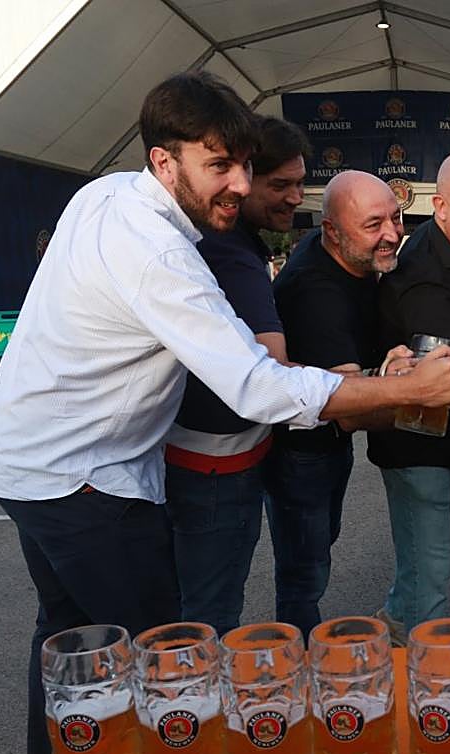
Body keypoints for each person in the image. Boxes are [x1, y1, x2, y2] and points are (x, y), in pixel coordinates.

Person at [0, 71, 450, 754]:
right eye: (217, 166)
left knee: (72, 640)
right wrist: (408, 387)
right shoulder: (165, 255)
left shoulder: (106, 193)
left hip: (21, 460)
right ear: (164, 162)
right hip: (82, 479)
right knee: (169, 657)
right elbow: (259, 386)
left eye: (241, 164)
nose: (237, 183)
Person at [163, 117, 309, 636]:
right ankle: (196, 715)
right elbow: (272, 373)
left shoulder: (225, 242)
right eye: (279, 185)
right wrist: (376, 381)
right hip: (215, 471)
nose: (293, 197)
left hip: (185, 458)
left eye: (299, 183)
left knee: (187, 609)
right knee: (208, 618)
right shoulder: (230, 253)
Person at [264, 170, 413, 639]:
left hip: (324, 442)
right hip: (301, 447)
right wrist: (426, 392)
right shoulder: (315, 291)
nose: (391, 234)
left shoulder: (352, 258)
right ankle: (300, 664)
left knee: (317, 544)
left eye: (396, 217)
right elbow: (348, 407)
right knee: (304, 569)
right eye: (374, 225)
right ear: (331, 231)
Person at [368, 151, 450, 639]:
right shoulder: (425, 273)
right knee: (432, 567)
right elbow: (448, 377)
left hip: (442, 443)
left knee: (421, 557)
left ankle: (394, 628)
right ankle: (428, 683)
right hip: (416, 440)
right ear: (441, 206)